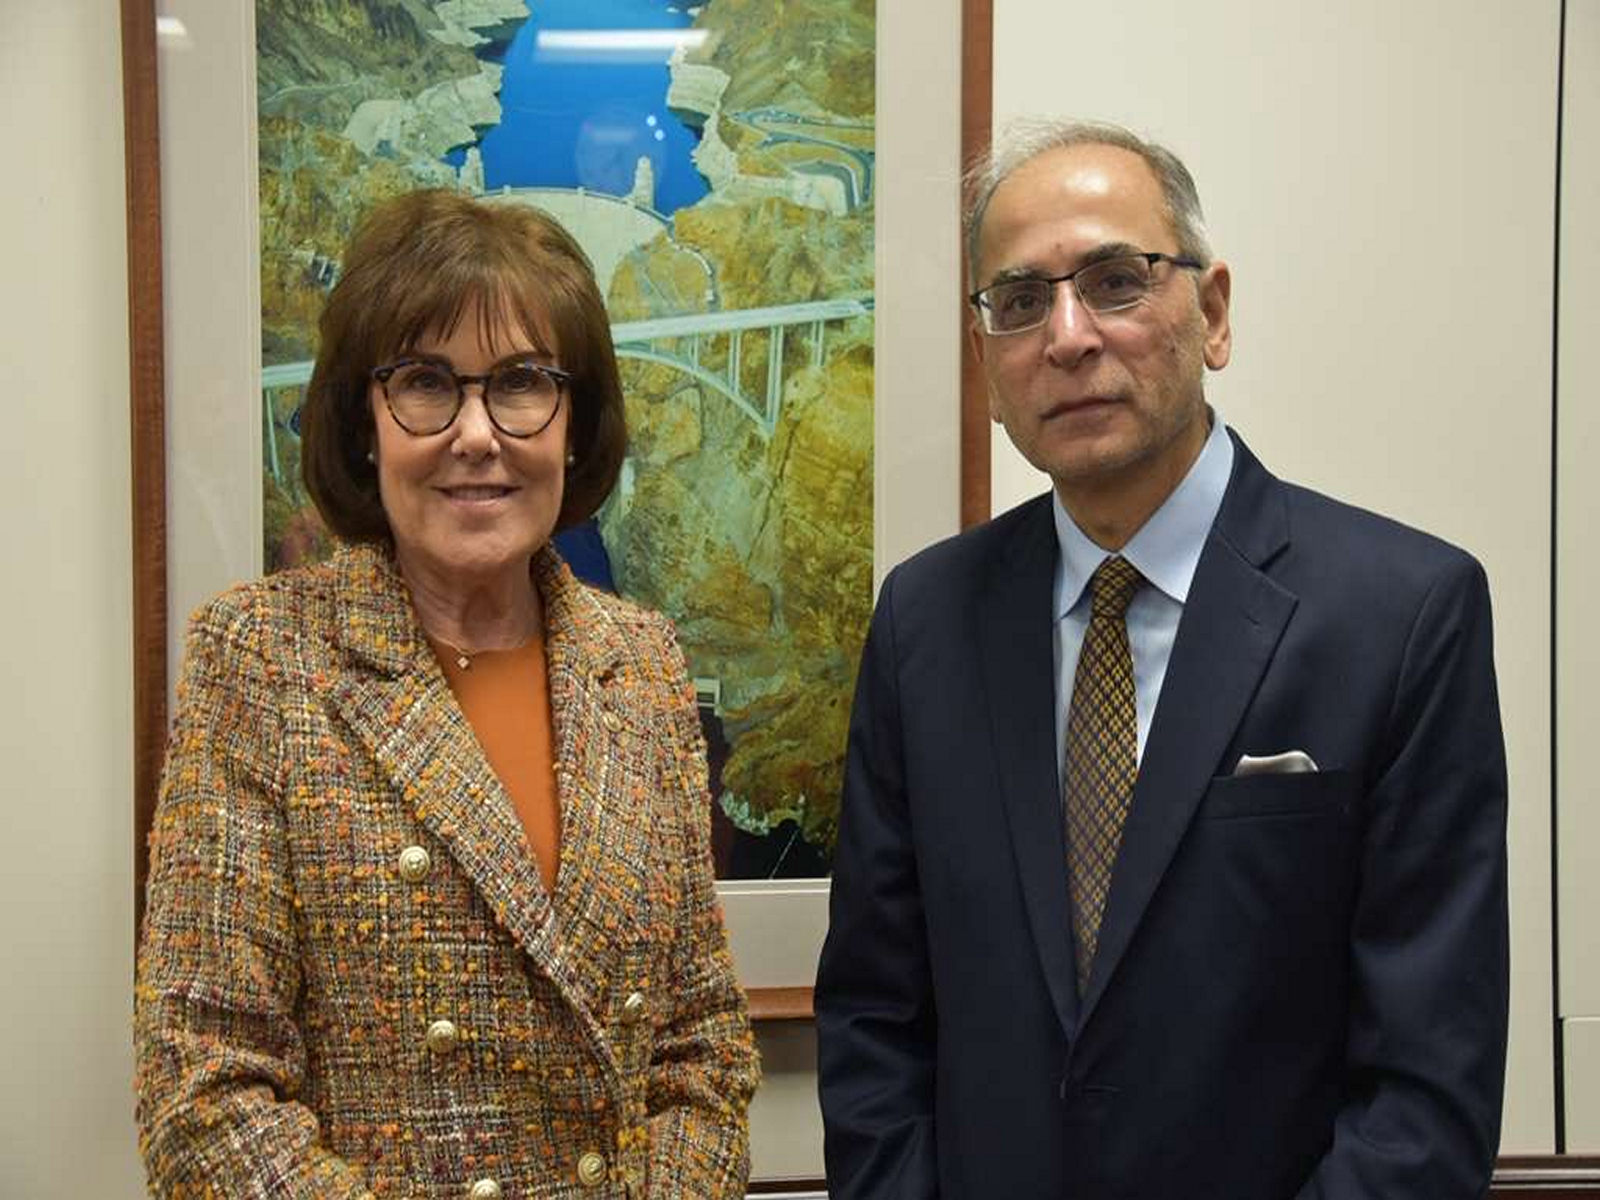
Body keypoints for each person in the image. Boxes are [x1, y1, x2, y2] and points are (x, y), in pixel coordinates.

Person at [815, 119, 1508, 1199]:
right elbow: (873, 1020)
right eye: (1020, 301)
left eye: (1115, 281)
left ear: (1212, 313)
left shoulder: (1403, 613)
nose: (1070, 335)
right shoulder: (924, 624)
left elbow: (1423, 1080)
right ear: (988, 360)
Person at [135, 190, 759, 1198]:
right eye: (427, 383)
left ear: (574, 422)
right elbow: (203, 1089)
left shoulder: (642, 665)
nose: (477, 433)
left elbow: (701, 1050)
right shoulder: (257, 657)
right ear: (363, 422)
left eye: (520, 384)